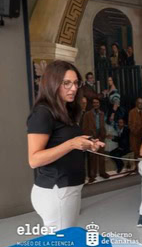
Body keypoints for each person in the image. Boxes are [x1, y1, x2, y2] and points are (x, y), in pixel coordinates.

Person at [27, 60, 105, 232]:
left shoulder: (65, 111)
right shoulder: (42, 113)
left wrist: (86, 143)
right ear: (53, 83)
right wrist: (71, 144)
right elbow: (34, 159)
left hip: (66, 189)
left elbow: (64, 142)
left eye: (76, 83)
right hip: (57, 191)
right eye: (67, 83)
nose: (74, 88)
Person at [82, 98, 110, 183]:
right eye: (94, 103)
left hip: (100, 137)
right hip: (92, 138)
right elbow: (85, 127)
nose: (96, 104)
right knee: (92, 157)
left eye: (97, 103)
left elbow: (102, 125)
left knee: (102, 156)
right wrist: (89, 138)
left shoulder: (102, 113)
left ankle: (102, 172)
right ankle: (92, 175)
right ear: (92, 104)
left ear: (99, 104)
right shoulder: (87, 114)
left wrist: (104, 134)